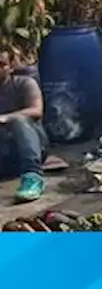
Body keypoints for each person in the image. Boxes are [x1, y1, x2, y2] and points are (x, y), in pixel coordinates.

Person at [0, 50, 47, 202]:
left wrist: (5, 118)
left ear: (11, 67)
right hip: (4, 156)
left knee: (19, 120)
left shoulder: (25, 84)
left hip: (30, 147)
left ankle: (33, 177)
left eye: (1, 65)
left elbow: (36, 110)